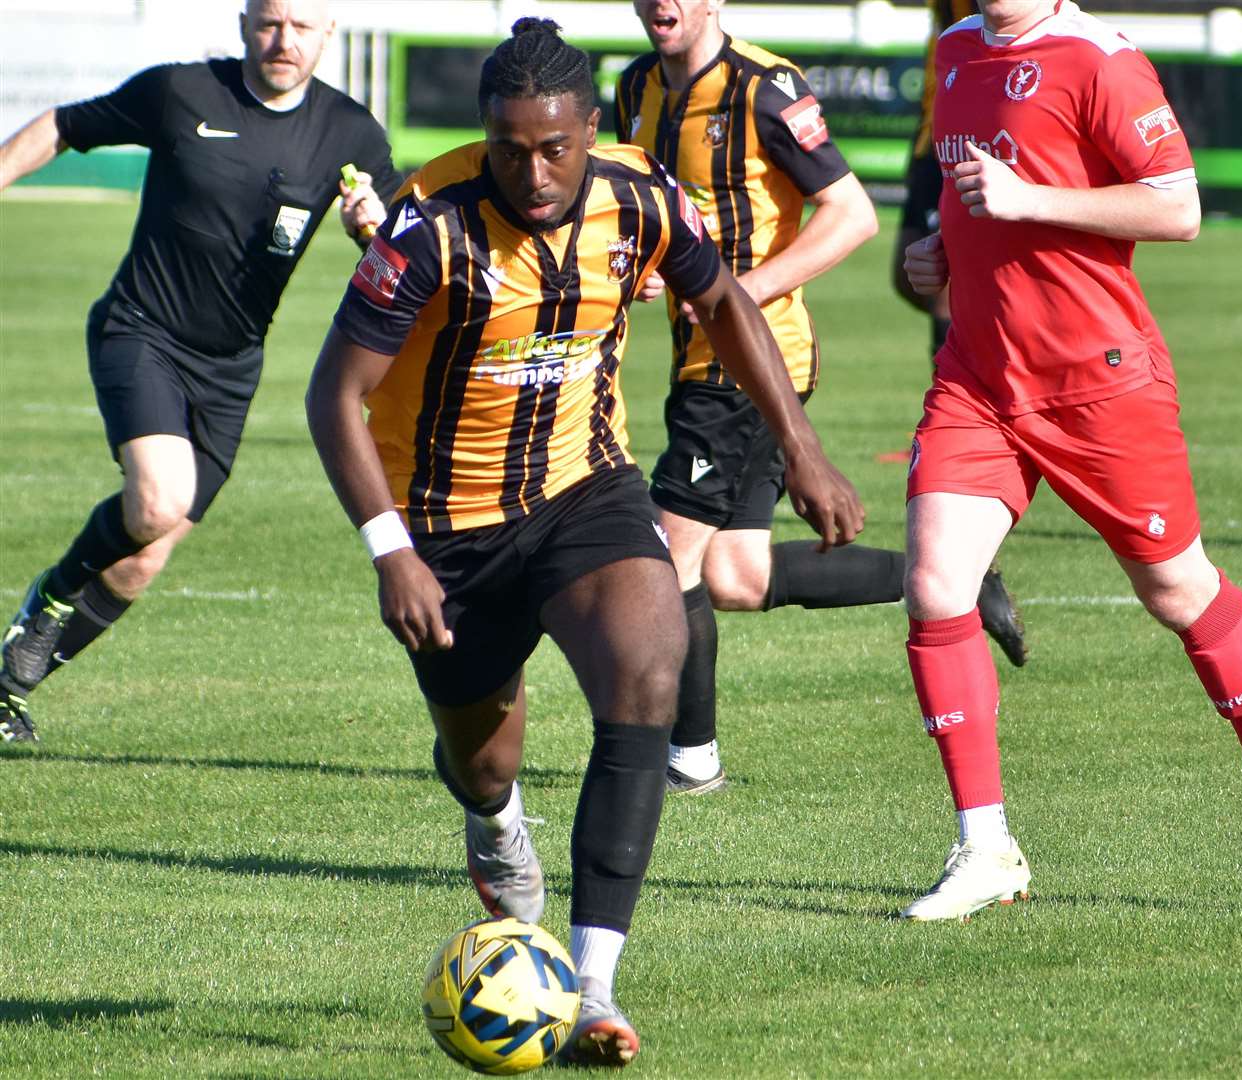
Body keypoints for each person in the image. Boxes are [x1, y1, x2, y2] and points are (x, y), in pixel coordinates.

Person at [305, 18, 861, 1065]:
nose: (535, 169)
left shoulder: (638, 193)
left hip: (581, 492)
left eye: (554, 145)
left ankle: (594, 989)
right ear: (485, 135)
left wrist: (800, 446)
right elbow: (334, 396)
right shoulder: (427, 225)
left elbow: (724, 302)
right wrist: (389, 550)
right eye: (511, 147)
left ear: (586, 129)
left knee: (648, 672)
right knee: (484, 760)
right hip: (445, 531)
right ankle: (492, 821)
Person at [898, 0, 1242, 920]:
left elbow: (1179, 206)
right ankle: (984, 846)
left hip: (1099, 382)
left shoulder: (1102, 60)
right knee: (936, 586)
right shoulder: (954, 50)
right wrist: (938, 251)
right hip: (981, 379)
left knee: (1177, 590)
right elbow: (969, 193)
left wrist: (1031, 200)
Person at [617, 0, 1025, 795]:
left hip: (753, 362)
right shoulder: (638, 88)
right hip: (695, 357)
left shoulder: (765, 89)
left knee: (668, 558)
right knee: (733, 574)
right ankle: (961, 583)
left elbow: (853, 213)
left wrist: (742, 293)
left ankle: (690, 761)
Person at [0, 0, 399, 743]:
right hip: (141, 330)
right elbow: (63, 125)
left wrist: (368, 229)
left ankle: (7, 688)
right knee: (156, 502)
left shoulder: (351, 133)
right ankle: (47, 602)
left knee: (142, 563)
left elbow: (404, 244)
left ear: (329, 34)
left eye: (303, 27)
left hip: (232, 369)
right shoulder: (182, 91)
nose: (284, 41)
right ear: (246, 20)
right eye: (272, 22)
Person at [891, 0, 976, 366]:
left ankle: (955, 399)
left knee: (946, 277)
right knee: (907, 275)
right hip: (932, 133)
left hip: (967, 133)